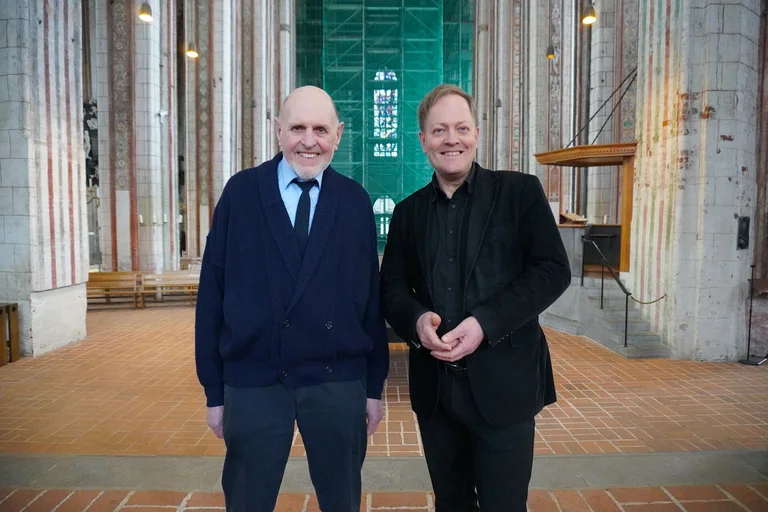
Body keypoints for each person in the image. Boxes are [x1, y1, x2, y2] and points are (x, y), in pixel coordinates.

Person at [195, 86, 389, 512]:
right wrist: (214, 391)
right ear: (277, 130)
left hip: (337, 380)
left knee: (342, 502)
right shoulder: (241, 194)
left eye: (320, 129)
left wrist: (373, 388)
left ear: (338, 135)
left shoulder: (355, 201)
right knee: (247, 501)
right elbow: (212, 295)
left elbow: (370, 302)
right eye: (297, 127)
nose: (308, 140)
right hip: (254, 379)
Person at [380, 84, 571, 512]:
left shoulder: (520, 193)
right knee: (451, 503)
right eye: (440, 130)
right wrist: (416, 320)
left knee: (504, 506)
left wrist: (485, 322)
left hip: (505, 384)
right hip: (436, 392)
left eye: (461, 128)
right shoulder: (408, 212)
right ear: (423, 140)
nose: (452, 139)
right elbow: (390, 288)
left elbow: (553, 270)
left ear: (477, 134)